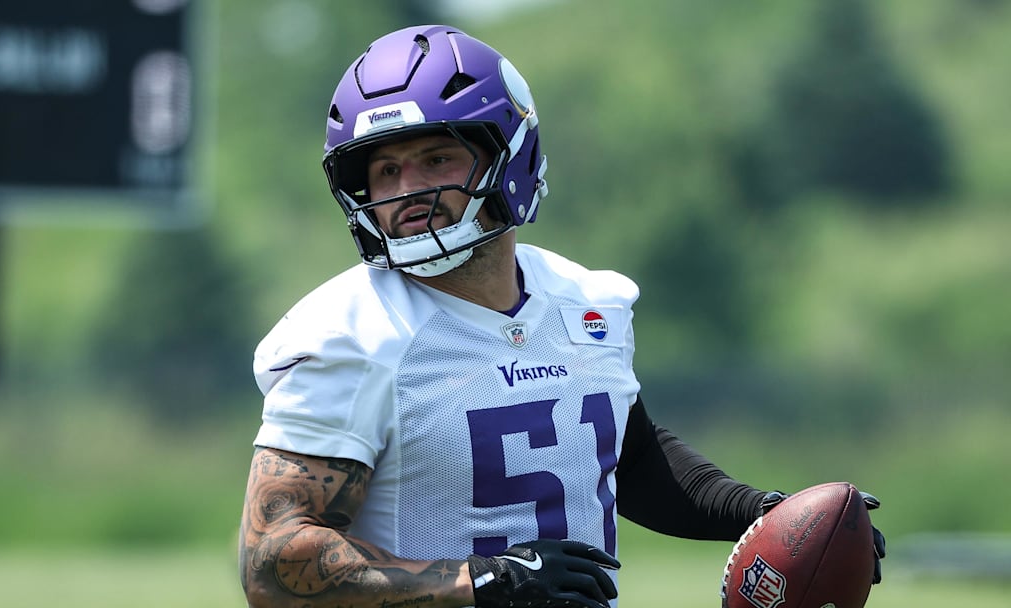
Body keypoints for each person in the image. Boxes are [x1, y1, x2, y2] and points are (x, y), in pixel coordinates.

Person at [238, 24, 884, 608]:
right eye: (384, 170)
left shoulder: (584, 301)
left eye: (437, 159)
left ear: (508, 155)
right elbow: (272, 562)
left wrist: (769, 514)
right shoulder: (349, 334)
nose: (408, 190)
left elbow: (626, 463)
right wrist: (480, 581)